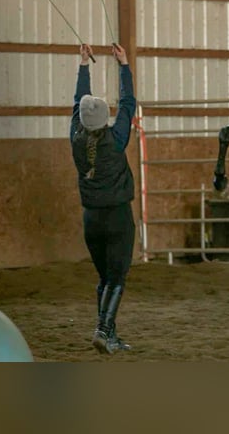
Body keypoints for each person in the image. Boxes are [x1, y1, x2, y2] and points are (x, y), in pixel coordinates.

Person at [70, 42, 137, 354]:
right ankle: (103, 329)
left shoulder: (75, 137)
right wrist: (123, 66)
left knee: (104, 278)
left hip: (91, 219)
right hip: (118, 217)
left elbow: (76, 102)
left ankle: (108, 334)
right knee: (117, 277)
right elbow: (128, 103)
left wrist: (84, 65)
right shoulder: (116, 139)